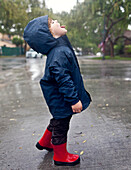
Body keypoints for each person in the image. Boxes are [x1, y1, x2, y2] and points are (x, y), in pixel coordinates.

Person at [23, 15, 92, 166]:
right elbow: (63, 80)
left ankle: (45, 142)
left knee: (58, 119)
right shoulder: (59, 53)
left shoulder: (59, 48)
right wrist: (73, 100)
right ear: (50, 35)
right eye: (52, 23)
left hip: (58, 98)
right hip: (62, 98)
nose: (56, 21)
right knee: (61, 124)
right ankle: (60, 156)